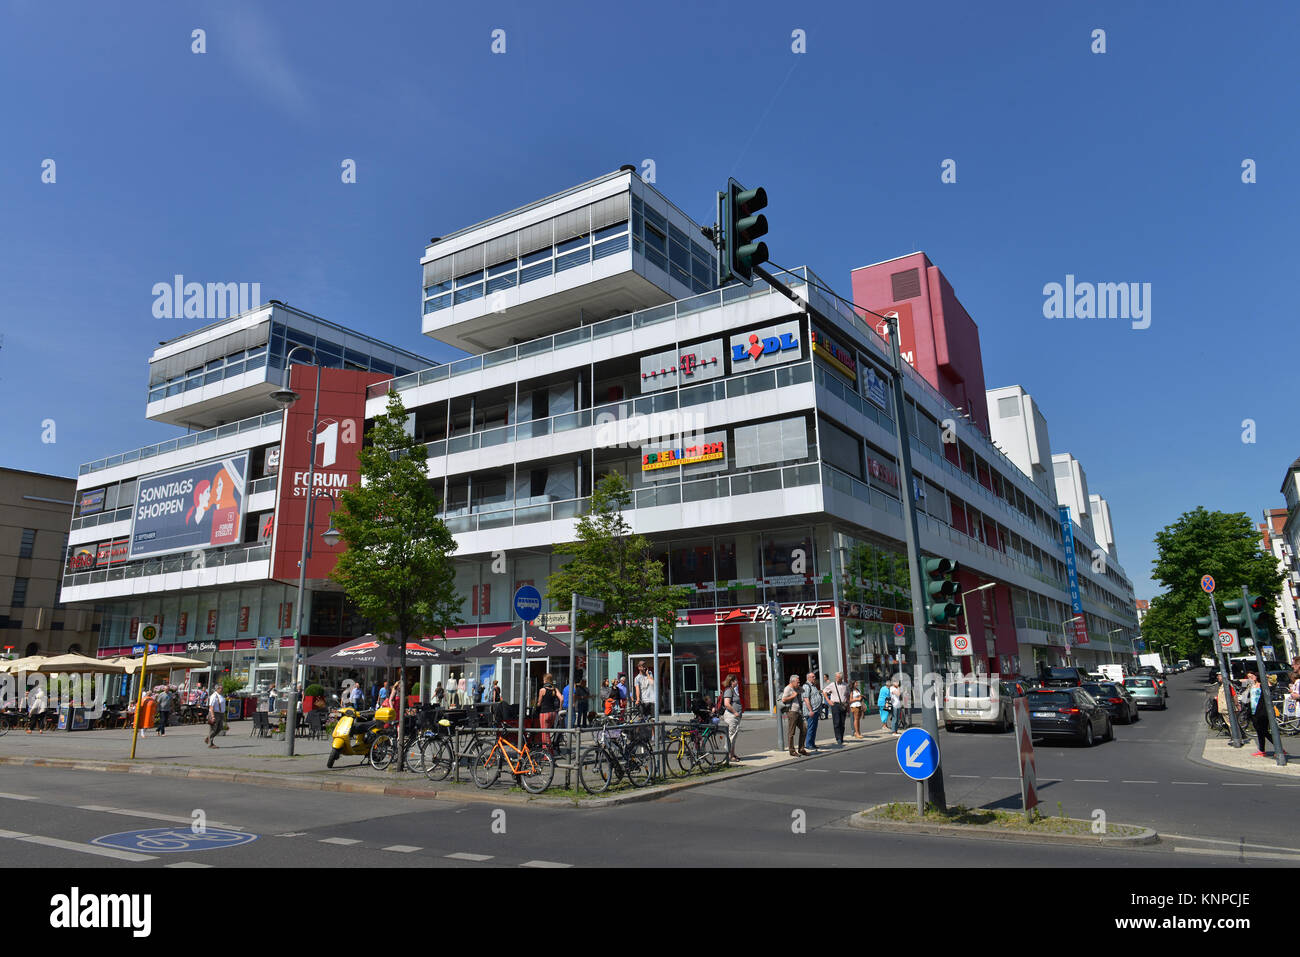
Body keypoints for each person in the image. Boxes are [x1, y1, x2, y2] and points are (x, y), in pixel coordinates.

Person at [1245, 672, 1271, 756]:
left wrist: (1268, 679)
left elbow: (1271, 687)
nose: (1251, 678)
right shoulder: (1251, 686)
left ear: (1256, 676)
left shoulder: (1262, 685)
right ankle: (1262, 750)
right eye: (1249, 677)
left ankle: (1280, 748)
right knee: (1259, 731)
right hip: (1253, 711)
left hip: (1261, 711)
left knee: (1264, 731)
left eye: (1252, 676)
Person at [781, 675, 807, 756]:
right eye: (797, 682)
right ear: (792, 681)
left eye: (799, 681)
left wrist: (798, 688)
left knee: (804, 728)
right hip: (791, 711)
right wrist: (793, 696)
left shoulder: (796, 688)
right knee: (791, 732)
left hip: (798, 712)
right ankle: (792, 750)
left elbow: (803, 691)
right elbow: (783, 699)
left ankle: (801, 748)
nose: (799, 683)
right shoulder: (788, 688)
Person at [721, 673, 744, 760]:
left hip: (735, 716)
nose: (737, 682)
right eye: (736, 680)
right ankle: (729, 755)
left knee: (733, 736)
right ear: (732, 681)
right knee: (731, 735)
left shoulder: (733, 690)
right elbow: (726, 704)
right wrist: (735, 712)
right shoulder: (729, 690)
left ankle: (732, 754)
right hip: (731, 716)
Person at [537, 673, 561, 750]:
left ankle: (546, 754)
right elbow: (562, 699)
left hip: (544, 713)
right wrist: (560, 709)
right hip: (553, 713)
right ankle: (551, 751)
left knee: (544, 734)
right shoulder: (555, 689)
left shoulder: (542, 690)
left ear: (545, 680)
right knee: (548, 733)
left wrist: (537, 705)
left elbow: (539, 703)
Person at [825, 671, 849, 745]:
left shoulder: (845, 685)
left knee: (842, 722)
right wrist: (828, 700)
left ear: (841, 678)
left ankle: (841, 737)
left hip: (843, 705)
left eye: (838, 677)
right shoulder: (832, 684)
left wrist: (847, 702)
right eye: (836, 677)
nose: (837, 678)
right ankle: (838, 738)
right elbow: (824, 691)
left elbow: (847, 694)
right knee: (836, 722)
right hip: (835, 705)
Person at [802, 672, 824, 751]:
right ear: (808, 678)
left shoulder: (813, 686)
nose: (814, 678)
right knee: (810, 727)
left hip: (816, 710)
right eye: (813, 677)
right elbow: (806, 699)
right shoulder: (806, 686)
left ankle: (812, 743)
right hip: (811, 711)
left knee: (814, 727)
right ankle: (808, 744)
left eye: (814, 677)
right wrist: (810, 710)